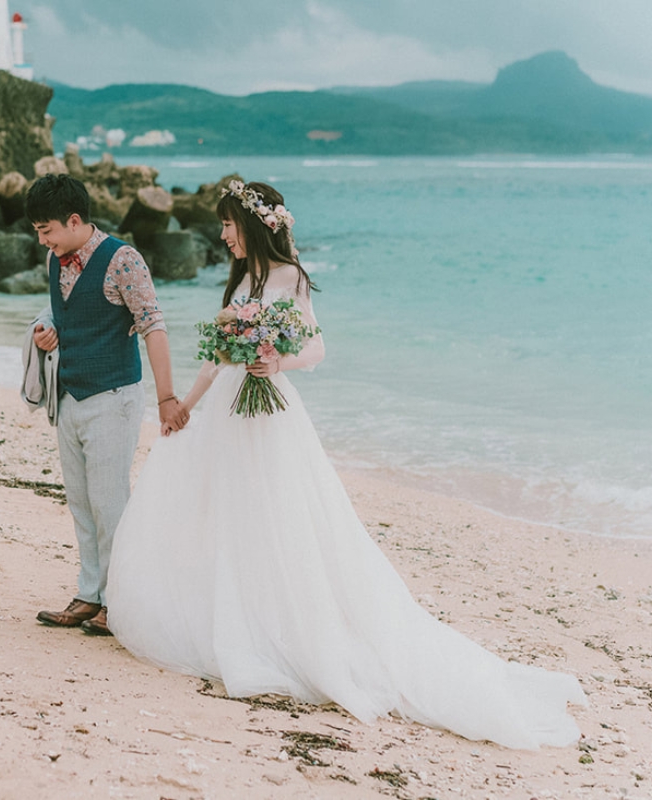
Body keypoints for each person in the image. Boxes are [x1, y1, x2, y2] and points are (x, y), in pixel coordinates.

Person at [104, 180, 588, 749]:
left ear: (253, 223)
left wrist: (276, 359)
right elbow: (215, 356)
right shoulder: (240, 279)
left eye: (229, 224)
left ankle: (285, 629)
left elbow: (316, 348)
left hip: (269, 411)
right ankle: (233, 617)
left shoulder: (290, 278)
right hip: (227, 415)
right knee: (227, 515)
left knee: (277, 518)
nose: (222, 235)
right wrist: (184, 406)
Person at [25, 173, 189, 636]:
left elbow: (153, 326)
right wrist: (44, 331)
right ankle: (89, 594)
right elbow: (59, 312)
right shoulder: (56, 259)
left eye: (46, 230)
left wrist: (167, 397)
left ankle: (119, 602)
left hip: (115, 397)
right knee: (80, 502)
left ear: (74, 220)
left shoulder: (124, 260)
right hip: (70, 395)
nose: (42, 240)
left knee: (110, 501)